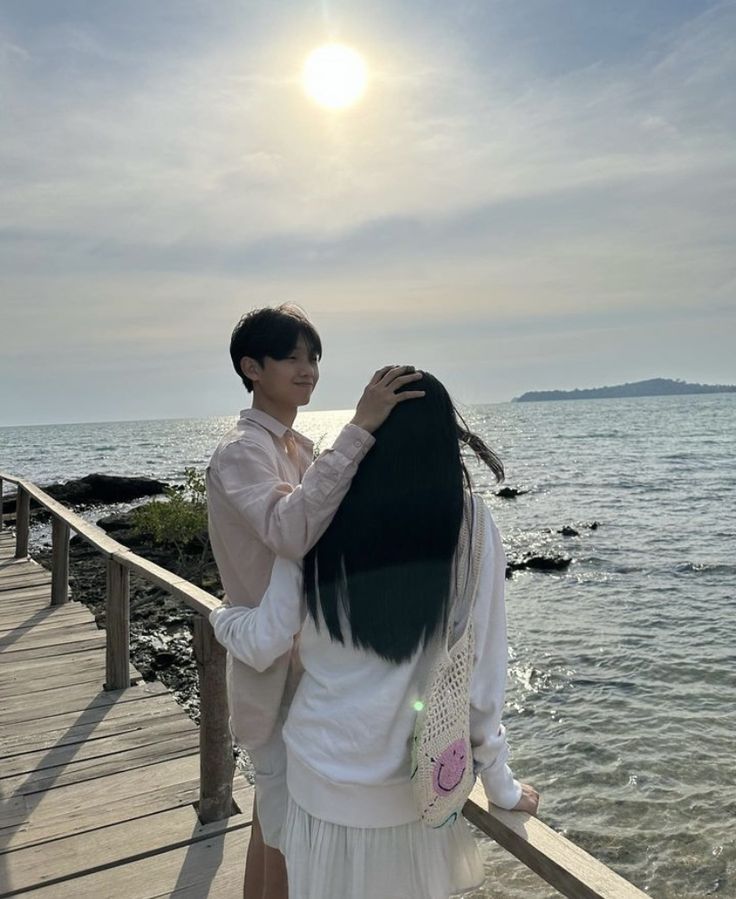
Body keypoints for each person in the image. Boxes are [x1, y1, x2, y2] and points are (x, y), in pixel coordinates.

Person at [210, 371, 540, 899]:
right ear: (446, 437)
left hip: (314, 776)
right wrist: (500, 783)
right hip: (413, 788)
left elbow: (264, 639)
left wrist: (221, 617)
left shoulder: (320, 513)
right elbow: (481, 681)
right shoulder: (471, 523)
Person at [206, 303, 424, 899]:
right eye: (292, 357)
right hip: (274, 665)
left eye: (314, 357)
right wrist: (358, 429)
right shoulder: (241, 452)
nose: (308, 370)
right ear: (252, 367)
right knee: (283, 826)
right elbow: (289, 531)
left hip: (308, 664)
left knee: (274, 822)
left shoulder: (297, 449)